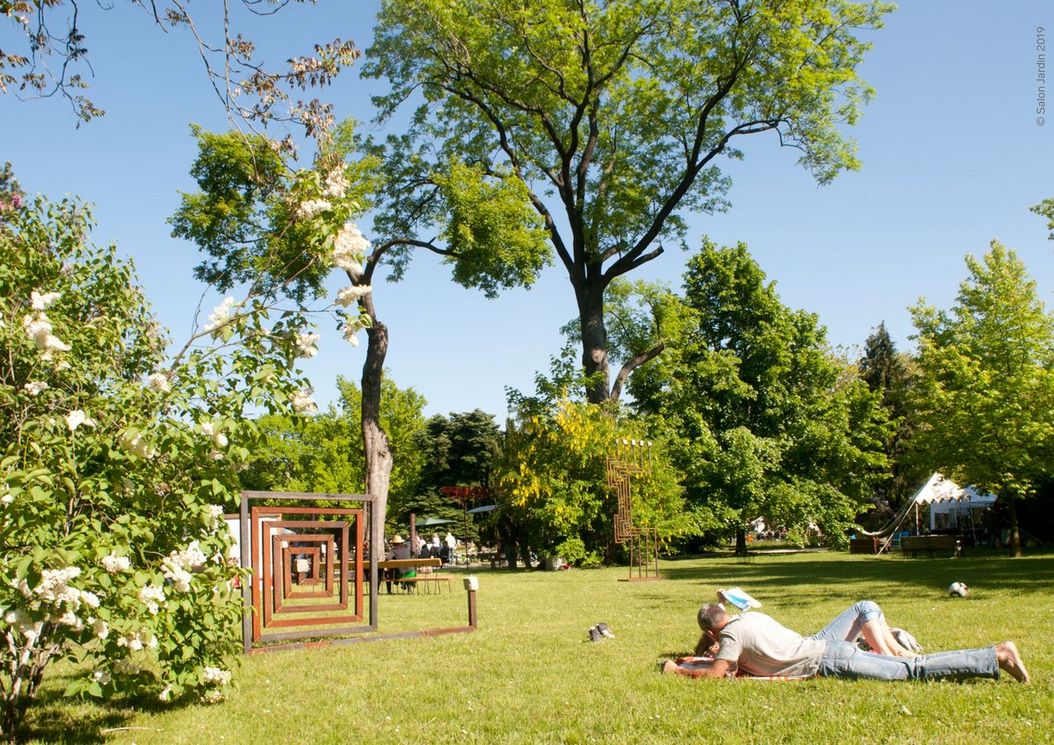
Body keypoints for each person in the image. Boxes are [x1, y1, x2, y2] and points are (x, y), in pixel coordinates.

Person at [664, 602, 1029, 683]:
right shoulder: (748, 618)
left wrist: (678, 669)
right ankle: (993, 656)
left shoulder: (730, 635)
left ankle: (995, 655)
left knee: (912, 671)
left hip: (830, 659)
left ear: (712, 631)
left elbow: (715, 674)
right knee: (910, 668)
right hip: (828, 651)